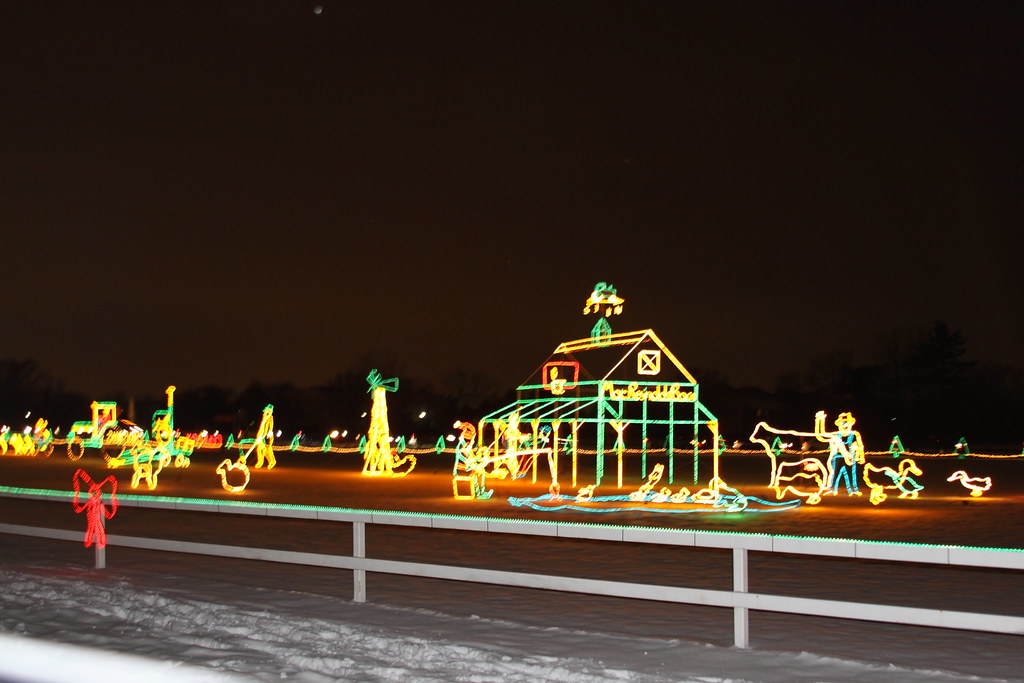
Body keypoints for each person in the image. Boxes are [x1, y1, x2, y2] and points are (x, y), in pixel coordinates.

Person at [815, 411, 864, 496]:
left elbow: (860, 446)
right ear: (839, 424)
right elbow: (821, 436)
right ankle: (833, 489)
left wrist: (861, 456)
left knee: (851, 474)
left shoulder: (855, 434)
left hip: (850, 458)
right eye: (843, 423)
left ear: (851, 424)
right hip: (838, 457)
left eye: (847, 423)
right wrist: (819, 420)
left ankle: (853, 490)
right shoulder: (836, 435)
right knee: (835, 474)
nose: (845, 425)